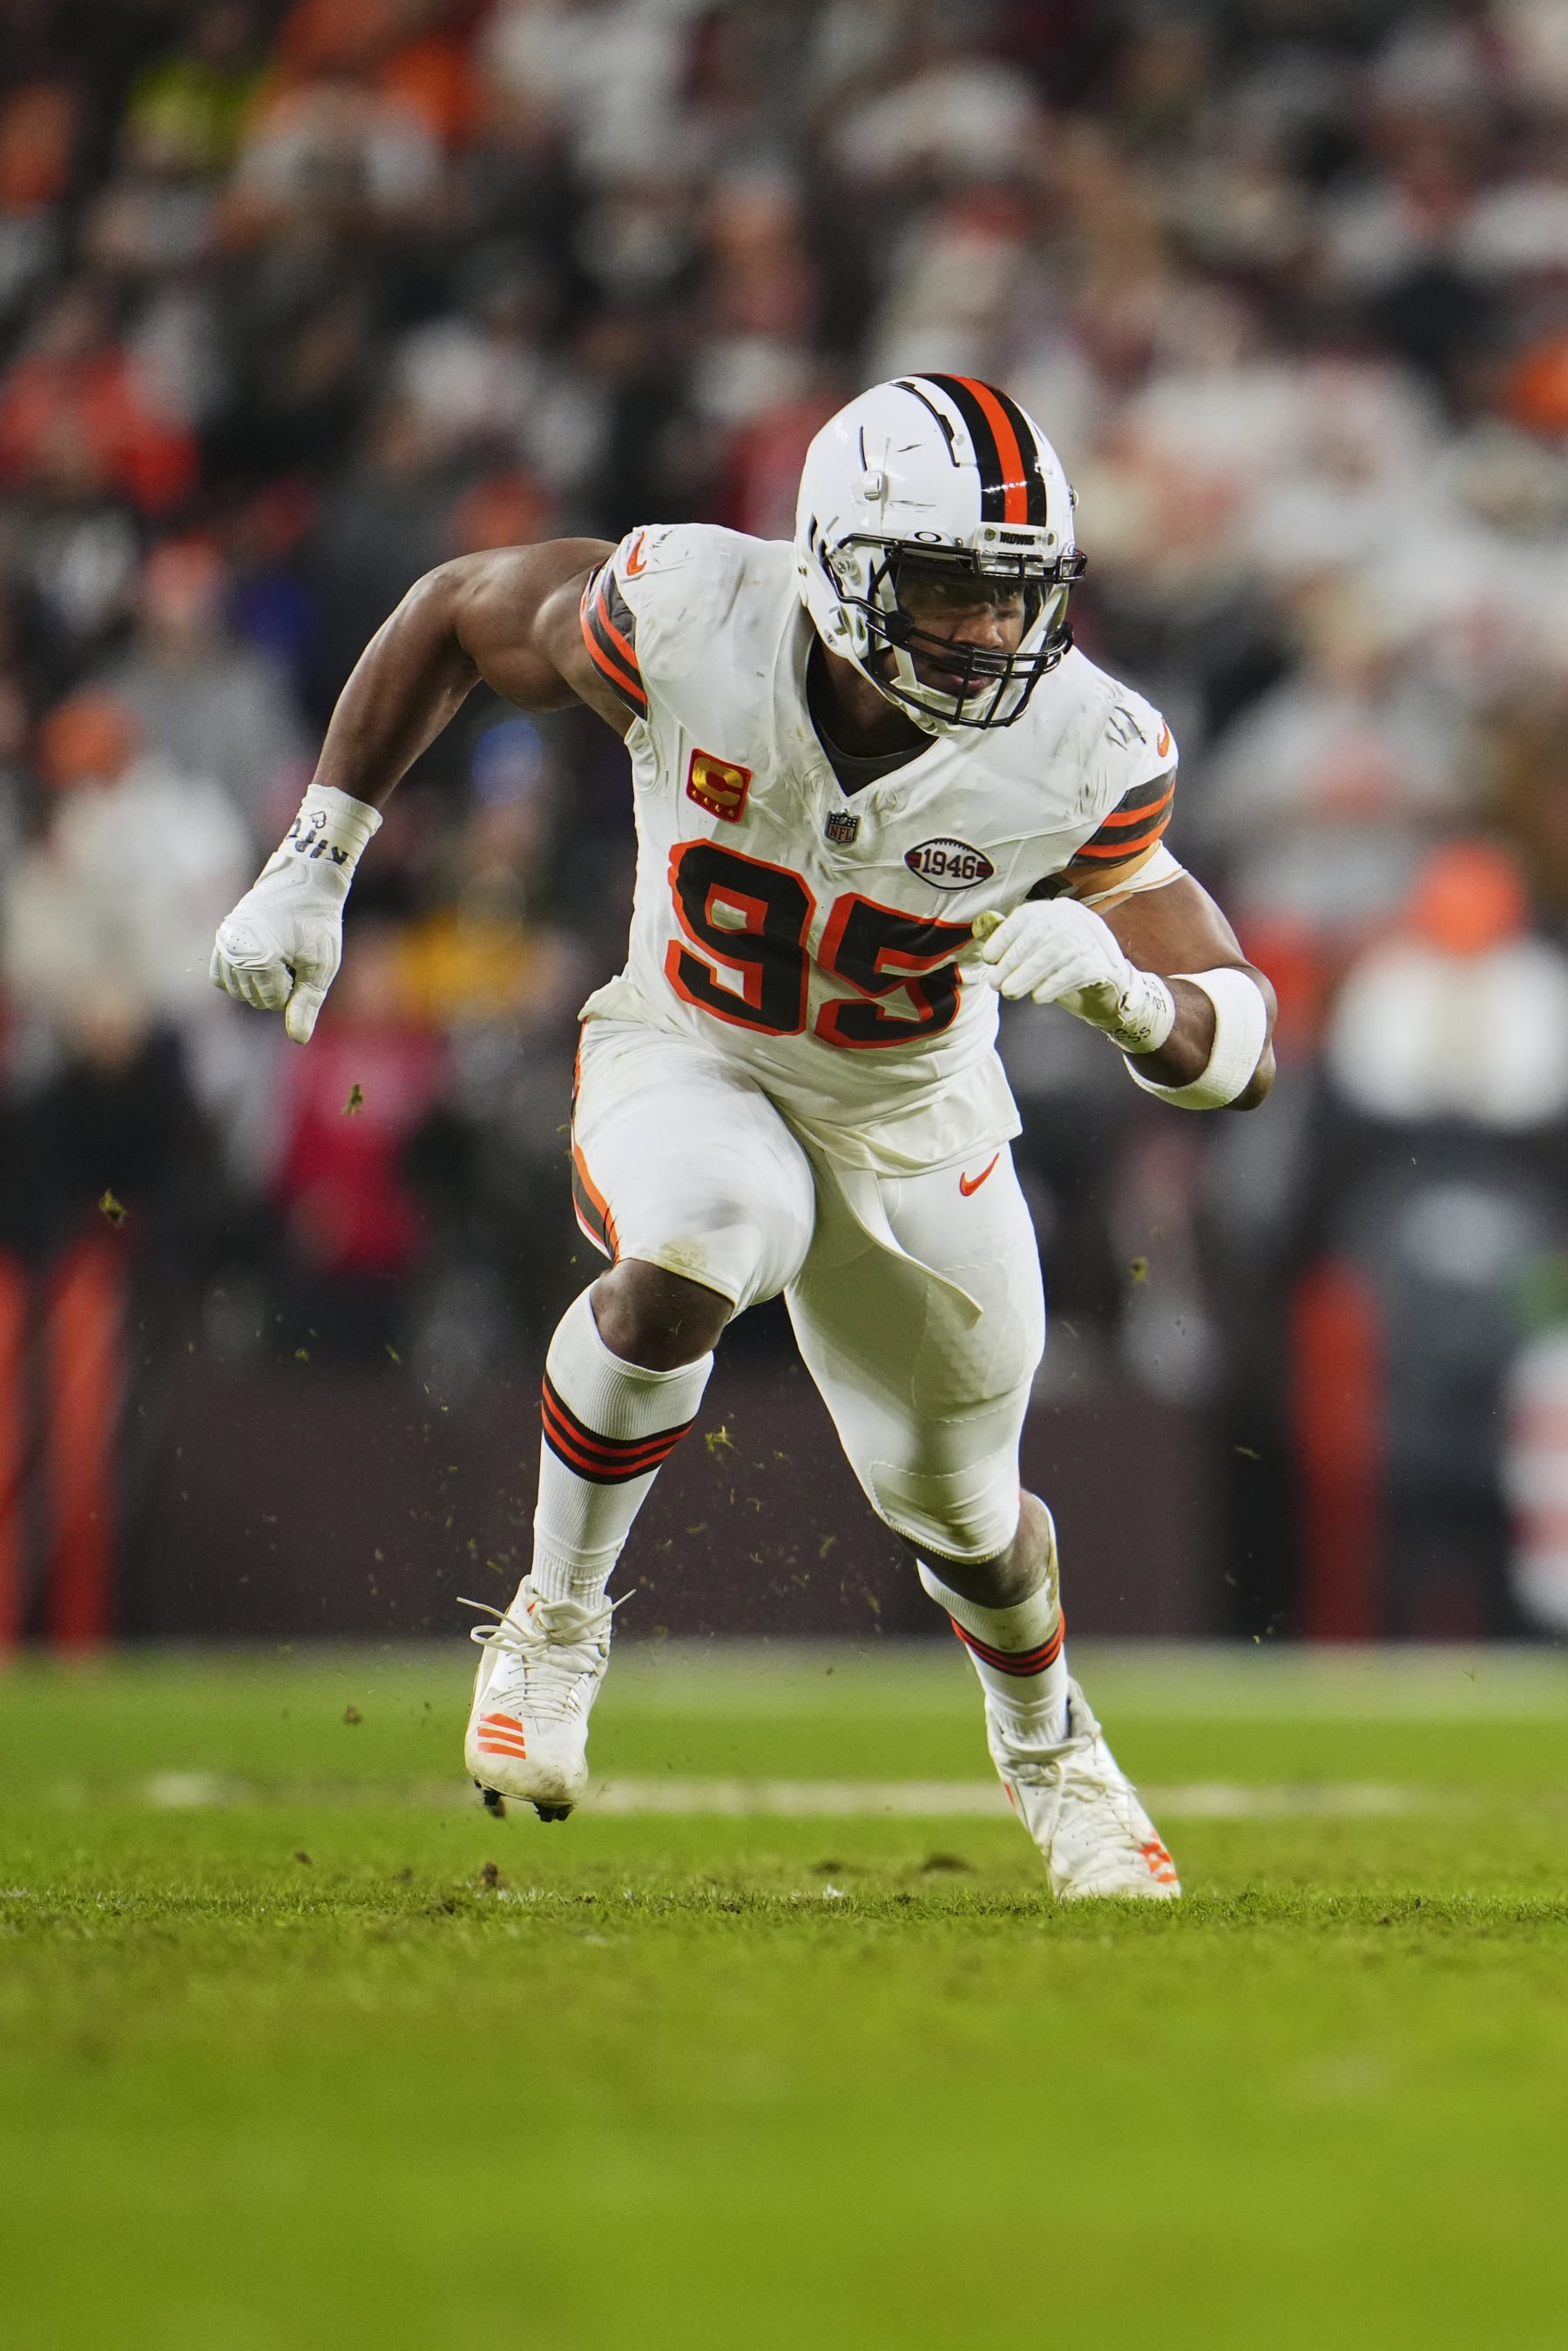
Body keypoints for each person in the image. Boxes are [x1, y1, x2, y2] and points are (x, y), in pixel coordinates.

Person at [210, 375, 1277, 1900]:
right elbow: (455, 609)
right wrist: (319, 856)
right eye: (948, 591)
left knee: (970, 1516)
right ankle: (558, 1617)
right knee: (702, 1237)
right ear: (840, 562)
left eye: (1014, 599)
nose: (987, 636)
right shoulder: (690, 608)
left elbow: (1242, 1046)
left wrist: (1129, 1001)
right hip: (689, 1052)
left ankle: (1054, 1756)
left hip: (915, 1124)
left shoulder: (1084, 746)